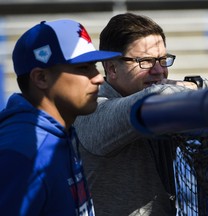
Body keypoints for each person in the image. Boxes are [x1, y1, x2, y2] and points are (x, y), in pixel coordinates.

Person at [74, 13, 200, 216]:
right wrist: (194, 89)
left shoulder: (164, 95)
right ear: (112, 68)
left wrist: (196, 85)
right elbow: (155, 97)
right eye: (146, 62)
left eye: (163, 60)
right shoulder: (90, 111)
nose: (159, 71)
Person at [0, 19, 120, 215]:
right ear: (41, 78)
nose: (98, 77)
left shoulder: (60, 131)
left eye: (95, 66)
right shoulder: (21, 152)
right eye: (83, 68)